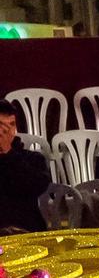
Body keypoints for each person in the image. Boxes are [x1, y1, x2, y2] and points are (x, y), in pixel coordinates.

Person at [0, 97, 50, 232]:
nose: (7, 131)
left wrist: (8, 152)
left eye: (11, 124)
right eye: (1, 125)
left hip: (26, 231)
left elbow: (38, 185)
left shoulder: (31, 158)